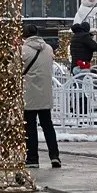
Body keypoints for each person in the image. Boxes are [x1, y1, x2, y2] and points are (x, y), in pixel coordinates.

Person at [20, 30, 61, 170]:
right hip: (45, 94)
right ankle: (55, 156)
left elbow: (15, 69)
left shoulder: (23, 50)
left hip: (29, 95)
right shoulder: (48, 48)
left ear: (24, 36)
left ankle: (32, 159)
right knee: (48, 126)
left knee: (30, 128)